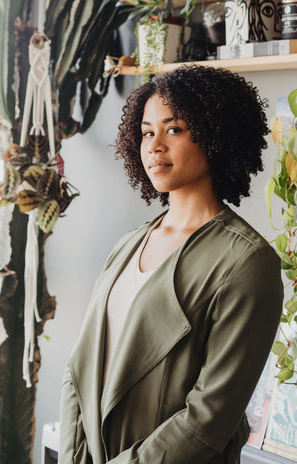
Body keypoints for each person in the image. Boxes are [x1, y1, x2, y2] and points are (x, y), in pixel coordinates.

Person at [58, 66, 283, 464]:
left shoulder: (247, 262)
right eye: (147, 132)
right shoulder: (129, 243)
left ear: (216, 135)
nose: (154, 145)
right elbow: (80, 371)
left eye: (173, 129)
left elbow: (208, 418)